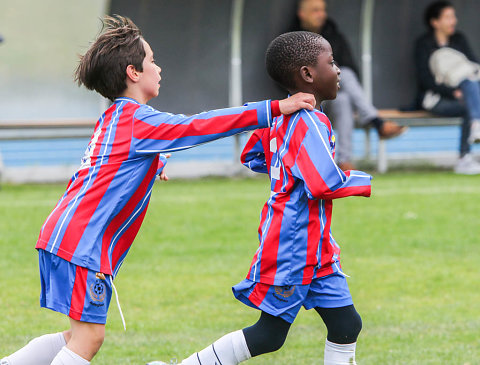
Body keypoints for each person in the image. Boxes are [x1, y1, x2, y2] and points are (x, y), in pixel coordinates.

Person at [0, 16, 315, 365]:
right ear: (134, 73)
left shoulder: (116, 118)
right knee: (89, 337)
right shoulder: (138, 120)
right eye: (152, 61)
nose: (159, 68)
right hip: (81, 244)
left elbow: (111, 165)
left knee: (76, 334)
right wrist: (273, 109)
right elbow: (197, 125)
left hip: (64, 237)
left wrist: (156, 163)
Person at [148, 31, 372, 365]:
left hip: (316, 245)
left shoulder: (283, 117)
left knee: (346, 323)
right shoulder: (308, 121)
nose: (338, 70)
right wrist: (363, 180)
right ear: (308, 75)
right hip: (293, 245)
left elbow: (253, 155)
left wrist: (285, 165)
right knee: (270, 334)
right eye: (332, 62)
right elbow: (323, 183)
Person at [293, 0, 407, 171]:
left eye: (322, 10)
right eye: (315, 10)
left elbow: (352, 69)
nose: (321, 14)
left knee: (344, 96)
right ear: (302, 14)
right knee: (340, 73)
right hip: (303, 99)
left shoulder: (334, 35)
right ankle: (376, 121)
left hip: (331, 97)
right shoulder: (290, 39)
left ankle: (344, 160)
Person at [415, 0, 480, 174]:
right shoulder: (424, 44)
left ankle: (472, 137)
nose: (453, 21)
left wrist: (463, 91)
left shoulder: (459, 39)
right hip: (435, 99)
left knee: (470, 91)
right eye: (448, 17)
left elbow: (473, 66)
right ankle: (466, 154)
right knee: (471, 106)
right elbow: (425, 79)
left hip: (466, 96)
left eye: (454, 16)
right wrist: (453, 92)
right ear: (435, 22)